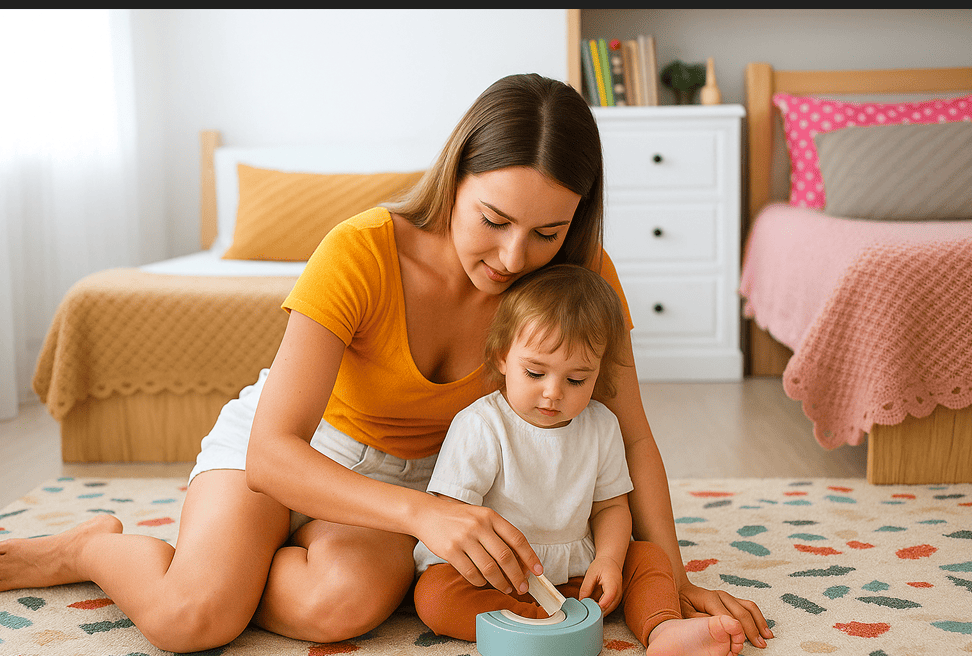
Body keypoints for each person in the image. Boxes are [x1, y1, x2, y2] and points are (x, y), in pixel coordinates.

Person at [0, 73, 772, 653]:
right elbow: (272, 452)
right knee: (189, 620)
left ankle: (224, 565)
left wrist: (675, 577)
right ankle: (89, 547)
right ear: (456, 175)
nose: (514, 257)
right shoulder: (361, 250)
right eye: (494, 219)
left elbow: (630, 437)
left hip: (414, 483)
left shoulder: (580, 279)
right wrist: (423, 517)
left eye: (547, 232)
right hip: (295, 451)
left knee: (339, 608)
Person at [412, 264, 746, 655]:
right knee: (434, 595)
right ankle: (541, 625)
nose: (553, 393)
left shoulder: (601, 425)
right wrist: (493, 564)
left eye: (576, 380)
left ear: (598, 373)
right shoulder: (481, 425)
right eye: (535, 373)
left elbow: (611, 508)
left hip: (578, 572)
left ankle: (663, 628)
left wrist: (609, 559)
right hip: (497, 575)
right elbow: (452, 514)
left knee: (649, 557)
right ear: (502, 357)